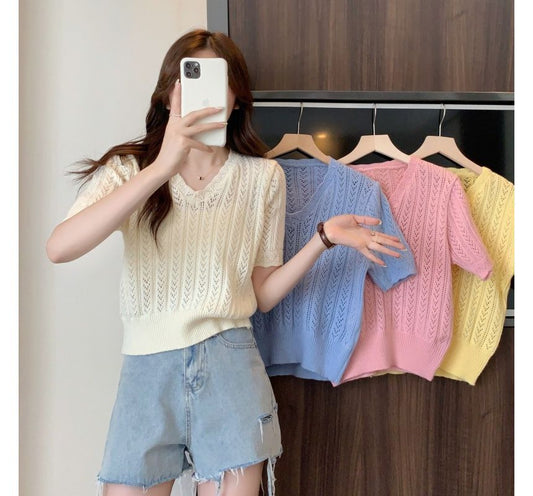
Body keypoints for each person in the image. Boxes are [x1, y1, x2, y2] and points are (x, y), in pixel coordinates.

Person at [46, 29, 405, 496]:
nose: (205, 94)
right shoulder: (132, 170)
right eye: (191, 79)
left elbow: (262, 295)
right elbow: (60, 247)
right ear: (169, 94)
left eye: (220, 81)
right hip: (147, 372)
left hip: (230, 365)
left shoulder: (263, 178)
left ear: (236, 98)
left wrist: (323, 239)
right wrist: (162, 167)